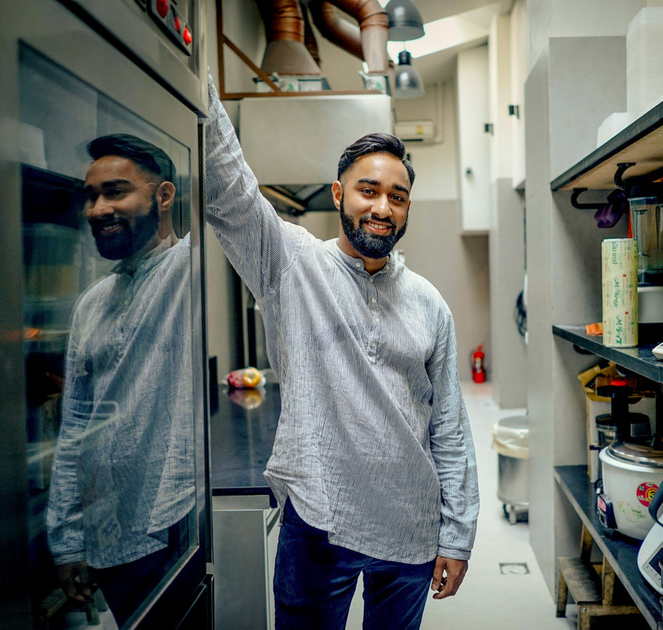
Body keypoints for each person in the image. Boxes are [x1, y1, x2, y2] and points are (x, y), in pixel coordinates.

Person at [204, 76, 479, 628]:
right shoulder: (293, 265)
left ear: (407, 208)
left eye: (397, 197)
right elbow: (230, 190)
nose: (382, 207)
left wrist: (458, 533)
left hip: (409, 525)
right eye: (368, 190)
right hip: (319, 521)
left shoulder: (429, 304)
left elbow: (449, 425)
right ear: (338, 195)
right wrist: (199, 83)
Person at [46, 134, 195, 622]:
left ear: (164, 196)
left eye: (115, 192)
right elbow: (75, 426)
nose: (97, 209)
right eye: (91, 196)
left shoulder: (189, 269)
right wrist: (67, 541)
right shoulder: (93, 303)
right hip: (107, 536)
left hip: (174, 529)